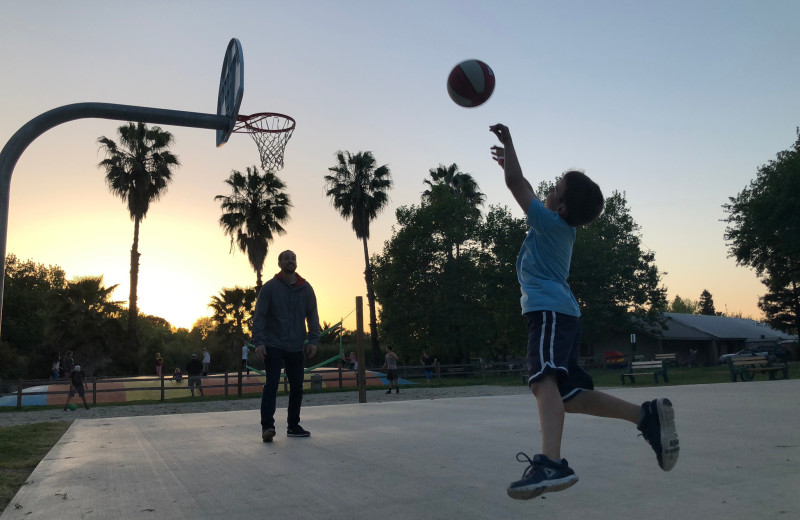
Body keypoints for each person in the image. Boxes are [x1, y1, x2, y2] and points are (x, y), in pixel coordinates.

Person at [489, 123, 679, 500]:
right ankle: (646, 416)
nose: (548, 187)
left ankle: (551, 462)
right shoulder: (557, 228)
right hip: (563, 315)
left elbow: (516, 185)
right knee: (570, 396)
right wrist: (509, 160)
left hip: (548, 314)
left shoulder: (549, 223)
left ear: (560, 207)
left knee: (543, 381)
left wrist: (510, 144)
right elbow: (522, 182)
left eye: (555, 186)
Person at [253, 250, 321, 442]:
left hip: (296, 346)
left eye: (293, 258)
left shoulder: (306, 288)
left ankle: (293, 426)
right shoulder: (269, 288)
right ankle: (267, 427)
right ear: (279, 263)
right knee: (271, 385)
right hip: (273, 344)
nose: (290, 260)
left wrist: (314, 341)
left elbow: (313, 316)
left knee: (297, 387)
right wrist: (259, 342)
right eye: (286, 258)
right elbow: (260, 317)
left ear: (296, 263)